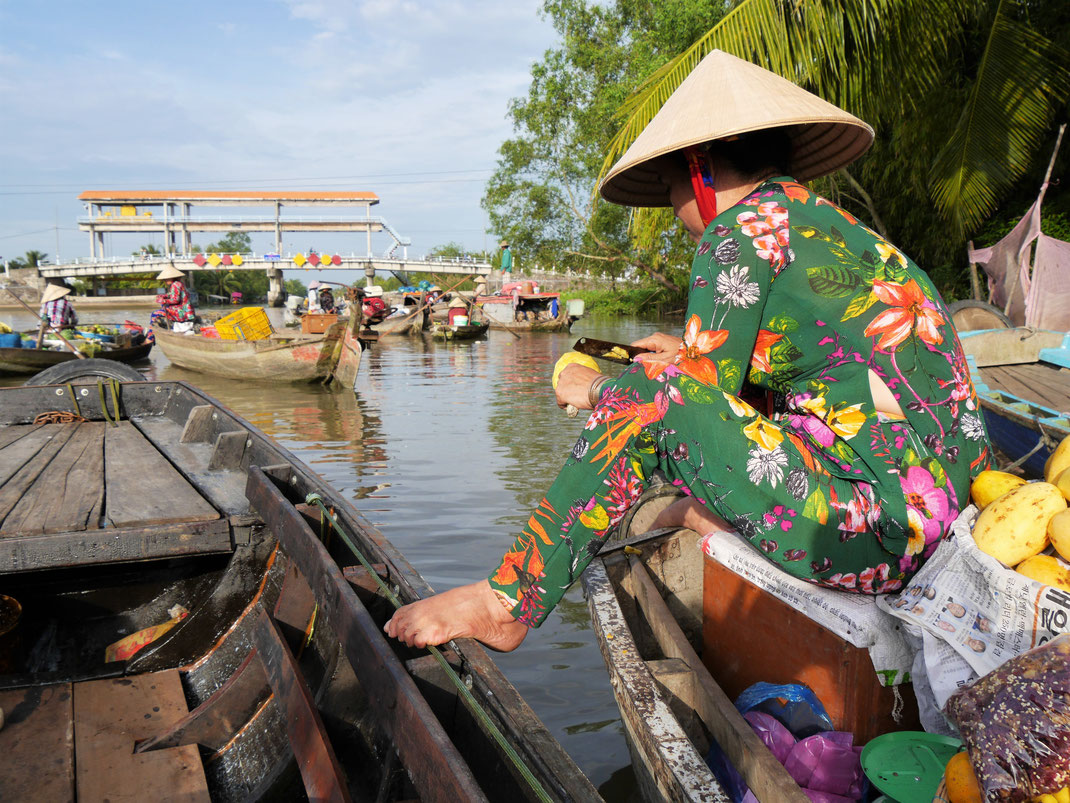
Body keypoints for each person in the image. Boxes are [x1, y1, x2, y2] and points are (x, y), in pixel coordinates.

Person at [385, 50, 991, 651]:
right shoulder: (826, 227)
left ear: (699, 170)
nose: (674, 210)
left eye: (672, 185)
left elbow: (685, 403)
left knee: (650, 404)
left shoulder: (739, 233)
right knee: (670, 393)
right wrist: (684, 353)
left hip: (876, 534)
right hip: (937, 515)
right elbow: (831, 376)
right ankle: (700, 518)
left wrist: (594, 387)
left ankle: (508, 602)